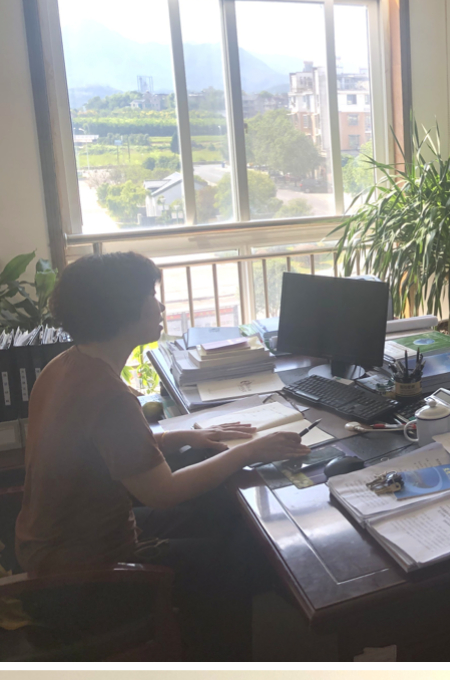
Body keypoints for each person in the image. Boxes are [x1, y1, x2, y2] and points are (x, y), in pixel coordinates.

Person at [15, 252, 306, 658]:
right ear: (122, 311)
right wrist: (249, 450)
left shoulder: (65, 366)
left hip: (54, 554)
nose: (161, 306)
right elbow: (163, 492)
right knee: (237, 562)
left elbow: (103, 448)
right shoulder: (108, 395)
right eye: (151, 295)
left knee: (223, 507)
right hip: (87, 582)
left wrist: (186, 436)